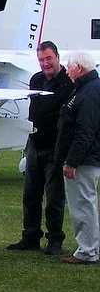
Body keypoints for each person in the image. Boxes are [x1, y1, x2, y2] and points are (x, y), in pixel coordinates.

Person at [7, 41, 74, 255]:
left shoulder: (67, 83)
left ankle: (55, 239)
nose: (45, 64)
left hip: (56, 146)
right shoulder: (36, 79)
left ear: (57, 58)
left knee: (54, 196)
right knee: (30, 194)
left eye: (49, 59)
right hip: (35, 143)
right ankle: (30, 236)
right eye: (41, 60)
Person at [54, 51, 100, 264]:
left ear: (79, 68)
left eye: (69, 66)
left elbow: (86, 130)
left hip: (84, 160)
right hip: (85, 158)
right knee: (84, 203)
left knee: (82, 204)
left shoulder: (89, 92)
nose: (67, 70)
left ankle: (87, 251)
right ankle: (89, 248)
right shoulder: (86, 89)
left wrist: (72, 161)